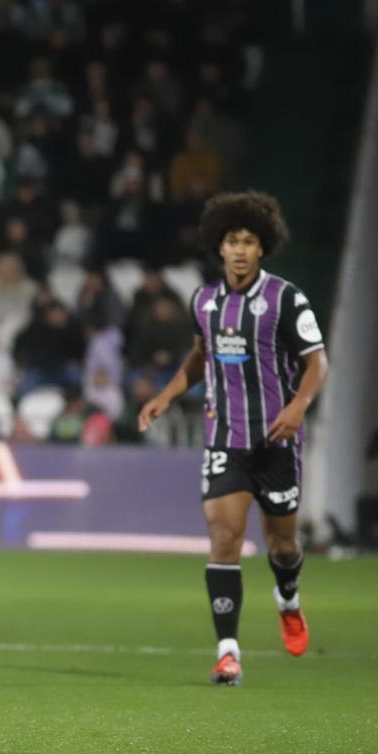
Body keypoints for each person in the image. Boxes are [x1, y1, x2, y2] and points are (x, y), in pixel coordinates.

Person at [139, 191, 328, 686]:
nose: (240, 250)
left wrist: (298, 405)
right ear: (218, 247)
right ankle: (228, 653)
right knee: (224, 539)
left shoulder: (286, 298)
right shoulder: (203, 300)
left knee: (282, 544)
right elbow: (199, 356)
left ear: (261, 248)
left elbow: (317, 363)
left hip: (277, 443)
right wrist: (167, 395)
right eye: (231, 241)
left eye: (248, 241)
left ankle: (288, 598)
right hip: (226, 439)